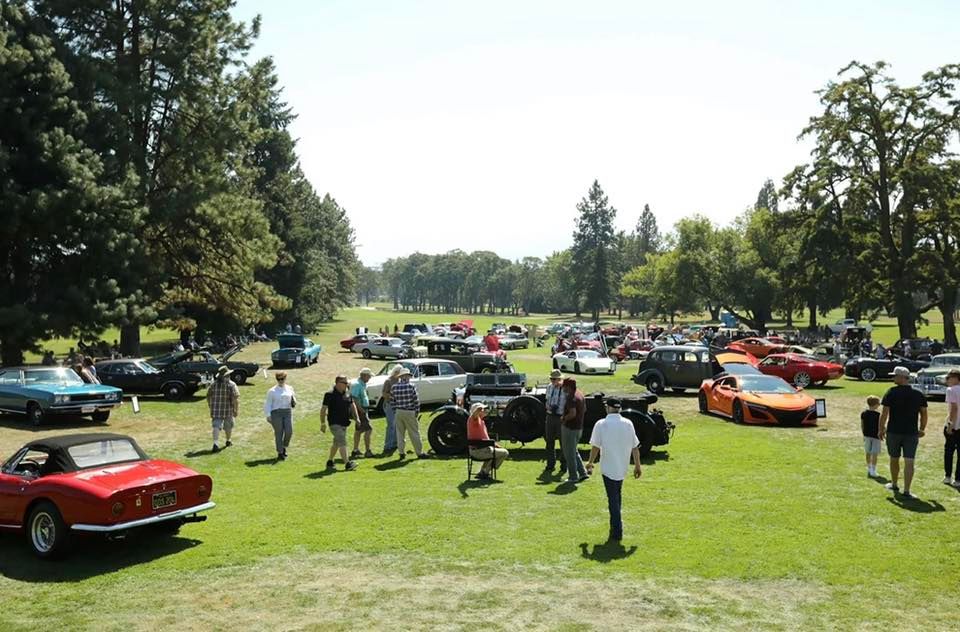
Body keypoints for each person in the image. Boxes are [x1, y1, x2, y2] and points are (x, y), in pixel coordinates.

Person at [585, 399, 642, 542]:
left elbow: (595, 447)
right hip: (622, 467)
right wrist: (637, 465)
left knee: (613, 499)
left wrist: (590, 462)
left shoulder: (601, 424)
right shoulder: (628, 424)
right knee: (616, 496)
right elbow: (635, 447)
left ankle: (617, 530)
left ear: (609, 408)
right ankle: (615, 527)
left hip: (608, 467)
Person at [879, 366, 928, 498]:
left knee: (894, 459)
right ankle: (907, 490)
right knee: (909, 461)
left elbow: (884, 413)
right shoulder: (918, 394)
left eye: (895, 376)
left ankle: (894, 484)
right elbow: (924, 413)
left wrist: (881, 428)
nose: (893, 378)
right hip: (911, 432)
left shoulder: (891, 392)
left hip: (894, 431)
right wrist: (922, 428)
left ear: (902, 378)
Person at [321, 375, 359, 471]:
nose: (347, 385)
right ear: (338, 383)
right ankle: (347, 464)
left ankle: (330, 461)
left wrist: (357, 418)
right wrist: (323, 423)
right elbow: (323, 409)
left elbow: (352, 405)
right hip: (334, 423)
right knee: (342, 441)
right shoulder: (329, 394)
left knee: (337, 443)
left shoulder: (347, 394)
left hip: (344, 422)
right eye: (345, 383)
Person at [390, 368, 427, 459]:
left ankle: (401, 452)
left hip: (399, 411)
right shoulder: (411, 386)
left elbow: (392, 401)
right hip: (410, 411)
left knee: (400, 433)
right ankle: (419, 452)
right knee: (414, 432)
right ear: (406, 376)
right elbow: (416, 401)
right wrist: (416, 412)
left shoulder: (394, 387)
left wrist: (395, 410)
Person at [466, 403, 508, 479]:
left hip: (483, 449)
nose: (484, 411)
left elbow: (486, 438)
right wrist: (478, 409)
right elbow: (474, 414)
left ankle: (483, 471)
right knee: (504, 453)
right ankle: (484, 472)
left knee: (496, 453)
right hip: (478, 451)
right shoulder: (473, 420)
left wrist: (495, 444)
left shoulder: (481, 421)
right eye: (482, 410)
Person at [560, 378, 589, 484]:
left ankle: (573, 476)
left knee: (569, 453)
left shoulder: (571, 397)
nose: (563, 388)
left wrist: (564, 418)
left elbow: (572, 413)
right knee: (574, 451)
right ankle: (582, 473)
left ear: (568, 387)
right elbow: (584, 410)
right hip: (578, 428)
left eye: (564, 386)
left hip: (570, 428)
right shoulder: (580, 394)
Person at [264, 371, 296, 461]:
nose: (280, 381)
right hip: (276, 412)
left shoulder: (290, 388)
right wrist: (268, 415)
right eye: (278, 379)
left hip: (287, 412)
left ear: (285, 378)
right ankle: (280, 452)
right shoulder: (272, 391)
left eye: (282, 379)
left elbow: (293, 398)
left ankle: (284, 446)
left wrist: (294, 402)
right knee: (279, 433)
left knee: (289, 431)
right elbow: (268, 404)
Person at [206, 366, 239, 453]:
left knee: (216, 426)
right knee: (228, 426)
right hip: (228, 410)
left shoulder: (213, 384)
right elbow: (235, 398)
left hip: (216, 409)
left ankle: (215, 444)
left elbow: (208, 395)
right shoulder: (231, 385)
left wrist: (210, 405)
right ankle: (228, 440)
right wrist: (236, 410)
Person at [543, 369, 566, 472]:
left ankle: (564, 465)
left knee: (563, 442)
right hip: (550, 416)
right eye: (551, 379)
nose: (553, 381)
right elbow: (547, 400)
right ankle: (550, 464)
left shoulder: (565, 389)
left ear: (560, 379)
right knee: (549, 441)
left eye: (555, 379)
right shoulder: (549, 387)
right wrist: (549, 408)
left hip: (561, 417)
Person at [350, 368, 375, 459]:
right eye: (369, 376)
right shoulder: (357, 384)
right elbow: (354, 398)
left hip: (362, 410)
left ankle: (355, 450)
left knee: (359, 431)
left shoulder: (362, 384)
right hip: (360, 411)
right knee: (369, 430)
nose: (369, 378)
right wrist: (361, 409)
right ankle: (368, 451)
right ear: (364, 375)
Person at [942, 368, 960, 486]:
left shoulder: (951, 390)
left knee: (949, 451)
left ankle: (948, 476)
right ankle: (958, 479)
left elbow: (954, 408)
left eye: (949, 377)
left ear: (956, 378)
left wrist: (950, 425)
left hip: (955, 425)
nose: (947, 380)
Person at [381, 364, 402, 455]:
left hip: (397, 405)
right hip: (389, 405)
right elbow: (384, 394)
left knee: (397, 425)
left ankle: (395, 443)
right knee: (391, 425)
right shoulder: (388, 381)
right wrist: (394, 396)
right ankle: (387, 445)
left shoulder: (400, 380)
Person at [861, 395, 882, 477]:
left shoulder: (864, 413)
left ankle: (869, 467)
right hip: (876, 436)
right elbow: (880, 425)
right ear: (876, 405)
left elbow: (862, 424)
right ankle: (873, 469)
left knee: (868, 452)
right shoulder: (878, 415)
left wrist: (863, 433)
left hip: (867, 435)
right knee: (875, 453)